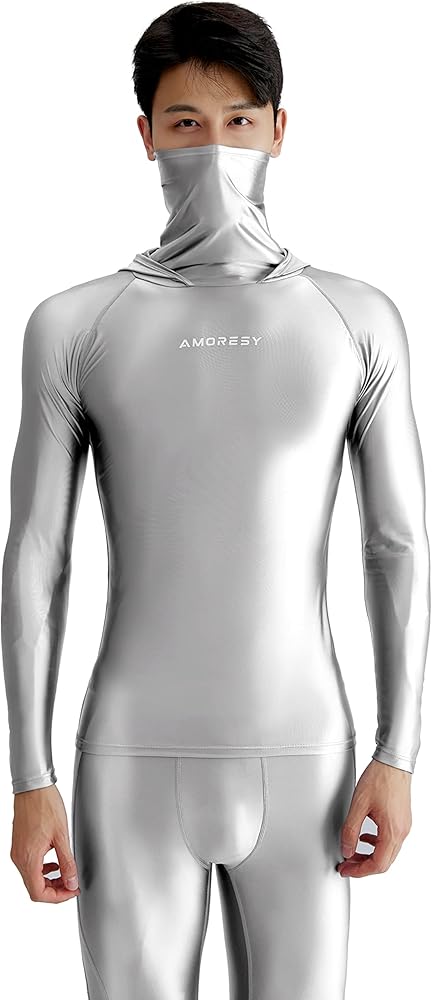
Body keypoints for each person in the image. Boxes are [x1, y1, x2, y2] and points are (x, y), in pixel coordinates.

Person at [2, 3, 430, 998]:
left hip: (312, 762)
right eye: (186, 124)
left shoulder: (357, 320)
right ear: (145, 136)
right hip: (128, 764)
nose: (215, 147)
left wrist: (398, 754)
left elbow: (398, 545)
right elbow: (36, 556)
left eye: (238, 121)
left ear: (280, 129)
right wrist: (30, 778)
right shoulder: (75, 325)